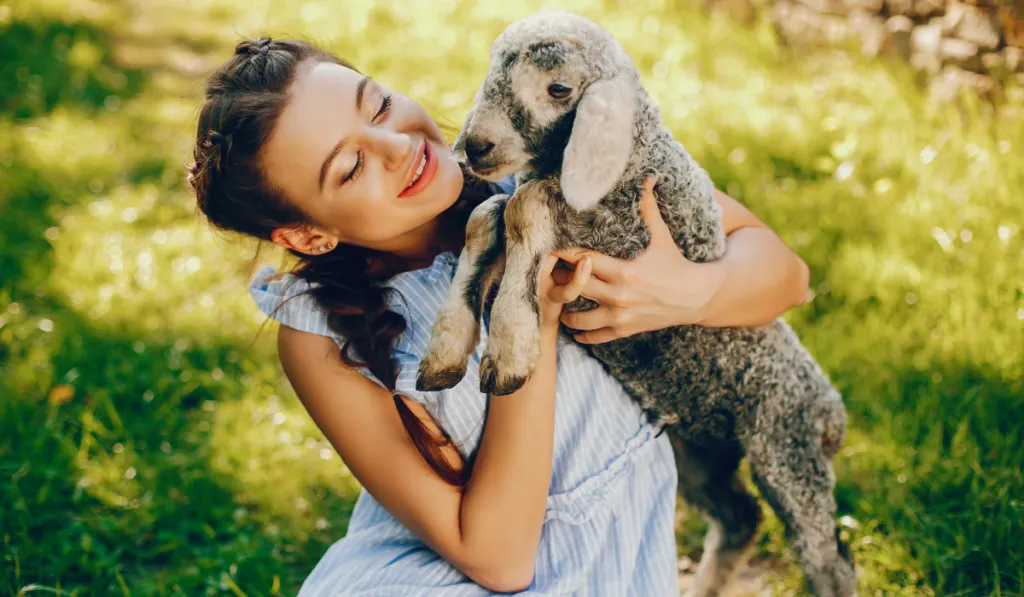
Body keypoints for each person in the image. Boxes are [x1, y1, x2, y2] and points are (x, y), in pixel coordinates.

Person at [189, 37, 810, 596]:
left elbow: (786, 274)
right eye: (349, 168)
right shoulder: (317, 334)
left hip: (611, 563)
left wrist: (691, 292)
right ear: (307, 235)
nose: (398, 147)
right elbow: (500, 560)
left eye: (377, 105)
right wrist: (526, 312)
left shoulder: (553, 173)